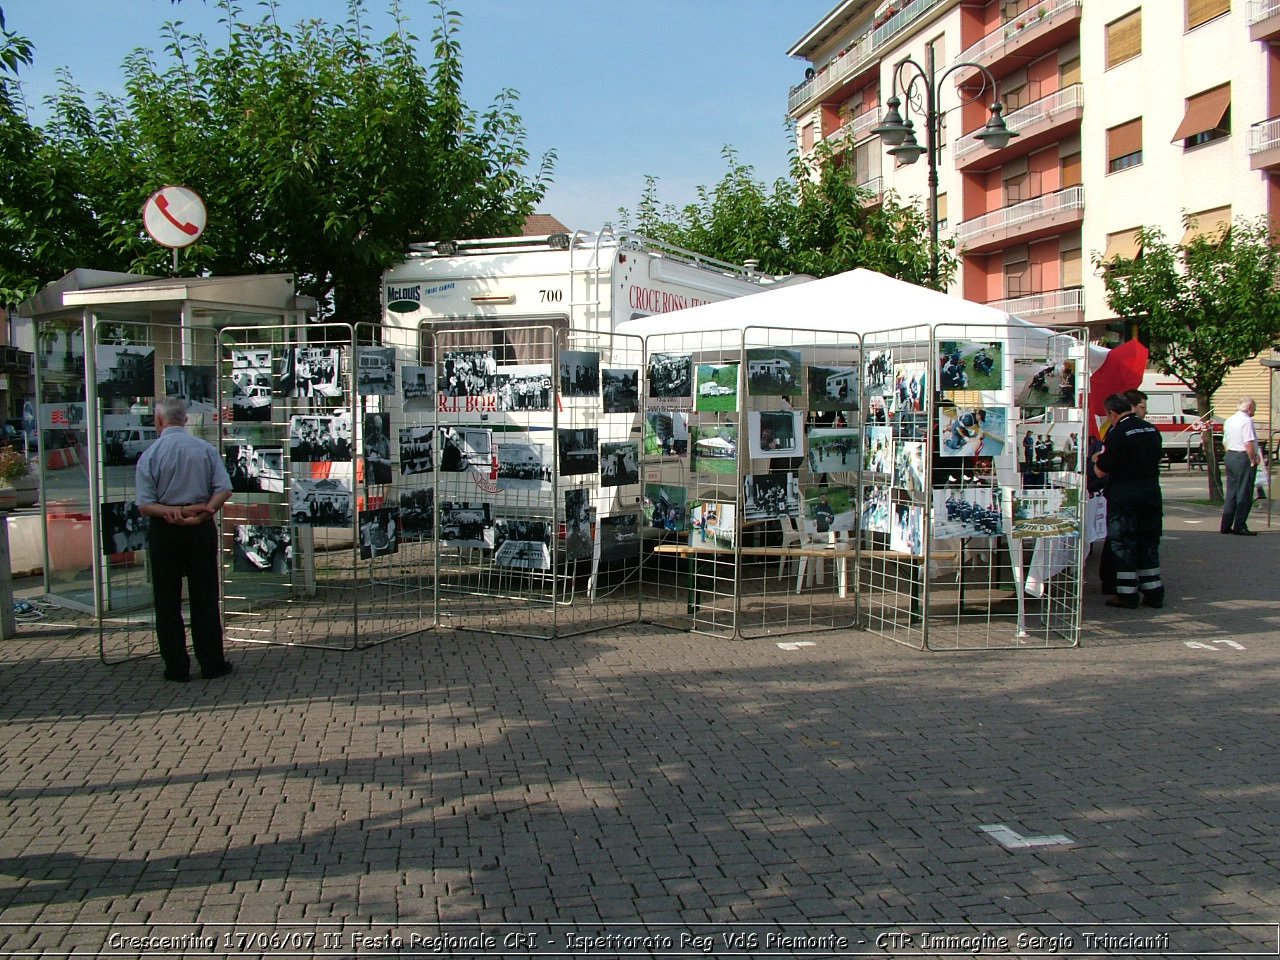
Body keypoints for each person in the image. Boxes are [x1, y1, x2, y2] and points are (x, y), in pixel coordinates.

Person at [135, 397, 234, 682]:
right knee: (205, 597)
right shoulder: (205, 449)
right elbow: (224, 488)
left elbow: (145, 504)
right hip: (200, 528)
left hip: (165, 530)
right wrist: (203, 512)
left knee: (167, 601)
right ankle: (212, 662)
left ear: (158, 421)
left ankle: (176, 666)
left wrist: (174, 512)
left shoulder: (150, 455)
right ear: (186, 420)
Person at [1093, 393, 1164, 609]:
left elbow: (1102, 471)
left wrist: (1096, 461)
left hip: (1125, 494)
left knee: (1123, 541)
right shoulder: (1151, 429)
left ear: (1112, 413)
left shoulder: (1118, 433)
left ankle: (1126, 593)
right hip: (1151, 491)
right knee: (1148, 540)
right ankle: (1153, 592)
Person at [1221, 397, 1262, 536]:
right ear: (1249, 407)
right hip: (1243, 456)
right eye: (1254, 408)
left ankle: (1226, 525)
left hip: (1231, 455)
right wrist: (1252, 459)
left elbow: (1225, 440)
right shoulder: (1246, 421)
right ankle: (1240, 525)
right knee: (1244, 491)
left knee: (1232, 491)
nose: (1255, 411)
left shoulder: (1229, 420)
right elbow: (1248, 442)